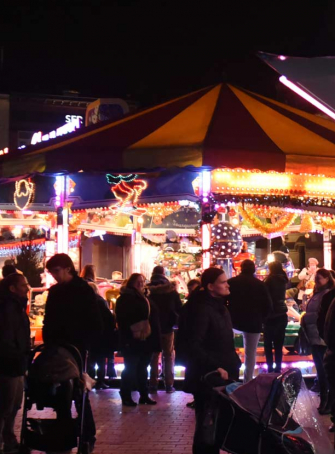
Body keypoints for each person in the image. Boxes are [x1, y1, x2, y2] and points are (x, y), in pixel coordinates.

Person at [43, 253, 103, 454]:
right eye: (52, 272)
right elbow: (49, 320)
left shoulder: (82, 291)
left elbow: (92, 320)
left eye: (57, 271)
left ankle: (86, 433)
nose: (54, 276)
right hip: (60, 348)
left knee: (77, 390)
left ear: (68, 268)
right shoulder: (56, 291)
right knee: (62, 390)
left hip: (77, 348)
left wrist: (84, 343)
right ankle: (67, 434)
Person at [179, 267, 241, 454]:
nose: (227, 284)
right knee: (208, 427)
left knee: (218, 426)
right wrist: (215, 367)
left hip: (223, 374)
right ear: (211, 286)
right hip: (209, 377)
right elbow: (193, 345)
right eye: (223, 282)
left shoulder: (218, 306)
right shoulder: (201, 309)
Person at [115, 273, 161, 407]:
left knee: (141, 367)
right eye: (138, 281)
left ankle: (143, 395)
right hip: (134, 339)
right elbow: (123, 319)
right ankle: (126, 394)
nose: (141, 283)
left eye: (143, 281)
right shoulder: (127, 298)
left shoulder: (143, 296)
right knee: (132, 367)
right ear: (131, 282)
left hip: (144, 339)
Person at [227, 259, 272, 382]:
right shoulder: (260, 284)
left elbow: (223, 301)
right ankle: (247, 380)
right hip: (253, 322)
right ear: (254, 269)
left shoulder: (232, 282)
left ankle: (231, 378)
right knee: (250, 353)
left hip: (233, 321)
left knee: (228, 349)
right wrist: (262, 319)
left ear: (241, 268)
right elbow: (268, 305)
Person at [0, 273, 30, 454]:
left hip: (16, 362)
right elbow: (7, 337)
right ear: (12, 288)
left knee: (13, 404)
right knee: (6, 405)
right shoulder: (8, 308)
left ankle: (9, 439)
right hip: (9, 363)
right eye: (23, 285)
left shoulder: (16, 306)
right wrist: (17, 354)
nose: (27, 288)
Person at [301, 268, 335, 415]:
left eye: (319, 279)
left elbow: (323, 318)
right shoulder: (318, 294)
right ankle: (324, 400)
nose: (316, 282)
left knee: (324, 372)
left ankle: (327, 402)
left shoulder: (327, 295)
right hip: (314, 337)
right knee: (321, 371)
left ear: (327, 279)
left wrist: (323, 335)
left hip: (321, 338)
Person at [147, 266, 182, 393]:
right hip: (168, 327)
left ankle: (152, 384)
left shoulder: (147, 290)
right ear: (163, 273)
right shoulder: (171, 290)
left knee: (154, 356)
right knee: (168, 355)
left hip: (152, 327)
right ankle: (169, 384)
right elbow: (179, 308)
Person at [87, 282, 117, 390]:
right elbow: (108, 318)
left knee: (91, 359)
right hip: (102, 334)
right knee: (100, 359)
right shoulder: (100, 301)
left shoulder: (85, 302)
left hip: (90, 334)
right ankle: (100, 380)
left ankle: (90, 379)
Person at [263, 261, 288, 373]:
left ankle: (269, 368)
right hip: (282, 314)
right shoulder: (283, 279)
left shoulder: (269, 280)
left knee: (268, 344)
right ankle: (278, 368)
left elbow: (265, 297)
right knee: (279, 344)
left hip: (271, 315)